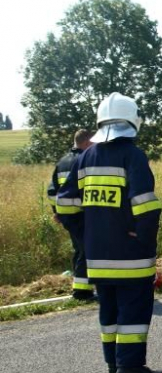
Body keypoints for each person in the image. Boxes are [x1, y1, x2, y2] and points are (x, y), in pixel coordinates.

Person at [57, 93, 162, 373]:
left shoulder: (86, 157)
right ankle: (130, 367)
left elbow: (65, 204)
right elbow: (146, 205)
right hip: (130, 255)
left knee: (109, 310)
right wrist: (144, 240)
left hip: (97, 255)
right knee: (133, 309)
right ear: (132, 120)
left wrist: (85, 235)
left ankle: (113, 361)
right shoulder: (133, 155)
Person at [48, 129, 95, 301]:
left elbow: (52, 191)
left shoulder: (62, 162)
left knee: (79, 249)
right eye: (94, 142)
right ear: (87, 142)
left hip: (67, 215)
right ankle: (82, 292)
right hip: (80, 213)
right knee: (86, 249)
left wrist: (57, 212)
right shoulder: (84, 160)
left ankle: (80, 286)